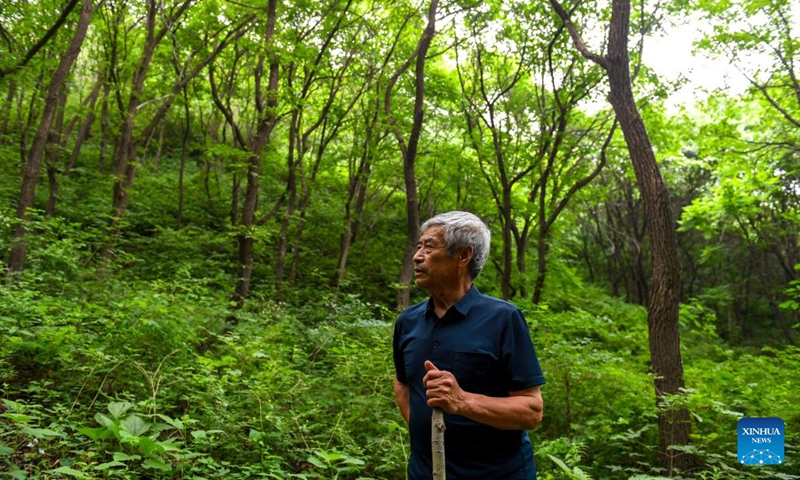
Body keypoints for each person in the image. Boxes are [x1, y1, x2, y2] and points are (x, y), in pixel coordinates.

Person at [392, 211, 545, 480]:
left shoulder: (503, 319)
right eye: (419, 247)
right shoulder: (407, 321)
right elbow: (403, 383)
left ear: (463, 256)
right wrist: (423, 432)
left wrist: (462, 401)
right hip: (424, 474)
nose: (417, 256)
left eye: (429, 246)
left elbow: (531, 410)